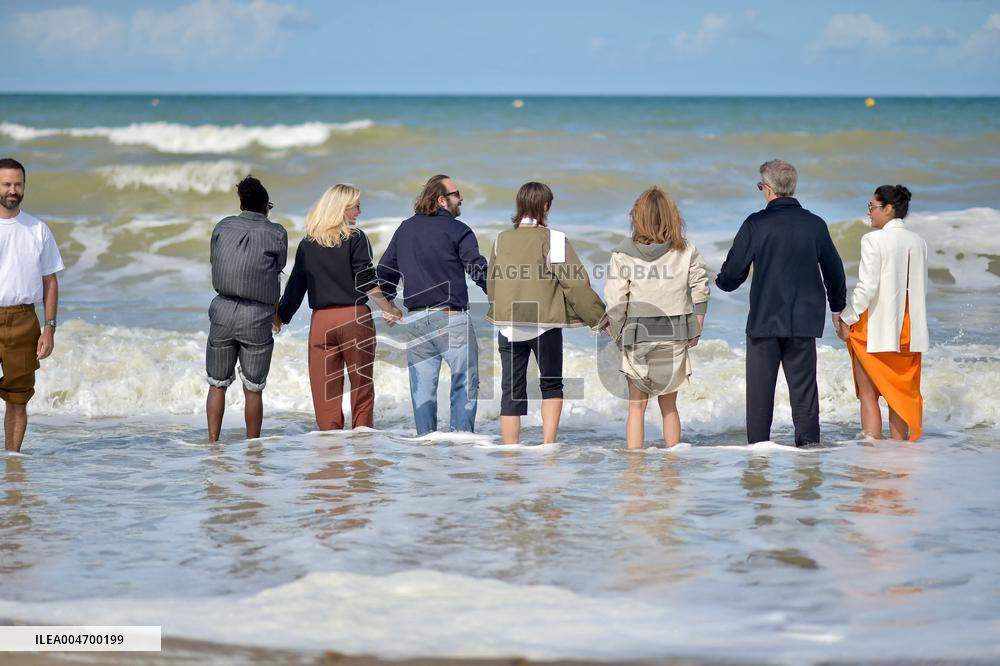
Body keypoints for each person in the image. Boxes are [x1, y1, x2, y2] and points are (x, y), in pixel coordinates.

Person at [715, 160, 846, 447]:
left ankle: (758, 458)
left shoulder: (756, 224)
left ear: (768, 188)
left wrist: (721, 282)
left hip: (765, 321)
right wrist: (837, 308)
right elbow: (835, 271)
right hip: (804, 321)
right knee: (805, 395)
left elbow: (733, 273)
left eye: (760, 186)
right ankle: (809, 457)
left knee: (759, 397)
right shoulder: (815, 224)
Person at [486, 182, 605, 444]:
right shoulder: (556, 239)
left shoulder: (500, 240)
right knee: (551, 385)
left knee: (511, 391)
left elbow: (492, 284)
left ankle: (510, 452)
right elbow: (575, 285)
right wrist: (598, 317)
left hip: (508, 326)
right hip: (544, 326)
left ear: (519, 205)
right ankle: (548, 446)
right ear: (546, 206)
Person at [277, 184, 402, 431]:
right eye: (356, 206)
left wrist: (281, 316)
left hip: (321, 323)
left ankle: (329, 446)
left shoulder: (308, 243)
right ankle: (362, 441)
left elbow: (296, 286)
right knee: (361, 386)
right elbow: (365, 279)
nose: (359, 211)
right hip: (354, 318)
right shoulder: (356, 238)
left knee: (325, 393)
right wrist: (388, 307)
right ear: (342, 208)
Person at [377, 175, 487, 436]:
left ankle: (426, 447)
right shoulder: (459, 230)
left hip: (416, 321)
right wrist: (499, 297)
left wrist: (389, 304)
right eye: (456, 194)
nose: (461, 198)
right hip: (451, 319)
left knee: (423, 392)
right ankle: (462, 445)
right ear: (441, 200)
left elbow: (384, 271)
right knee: (464, 385)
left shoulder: (405, 229)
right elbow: (478, 269)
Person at [604, 187, 710, 449]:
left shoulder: (623, 253)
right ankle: (672, 463)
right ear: (673, 217)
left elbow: (616, 299)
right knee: (669, 407)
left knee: (636, 408)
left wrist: (617, 332)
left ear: (637, 217)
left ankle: (634, 465)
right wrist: (697, 322)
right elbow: (700, 285)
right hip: (675, 332)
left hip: (637, 334)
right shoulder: (685, 250)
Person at [836, 185, 928, 441]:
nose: (869, 212)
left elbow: (867, 288)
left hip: (876, 329)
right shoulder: (918, 241)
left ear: (888, 209)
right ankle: (899, 449)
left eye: (872, 206)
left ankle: (872, 446)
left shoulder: (873, 240)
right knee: (899, 395)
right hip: (909, 330)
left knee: (868, 395)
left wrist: (846, 317)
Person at [205, 175, 287, 442]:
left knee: (217, 384)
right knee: (253, 388)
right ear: (265, 206)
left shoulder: (222, 226)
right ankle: (253, 448)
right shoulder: (276, 233)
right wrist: (276, 315)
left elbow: (216, 261)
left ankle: (213, 444)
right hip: (257, 314)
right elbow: (274, 275)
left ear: (242, 203)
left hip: (222, 310)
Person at [0, 158, 64, 453]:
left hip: (24, 320)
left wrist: (49, 328)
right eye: (6, 184)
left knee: (18, 398)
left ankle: (13, 461)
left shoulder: (38, 229)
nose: (13, 190)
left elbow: (50, 282)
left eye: (18, 184)